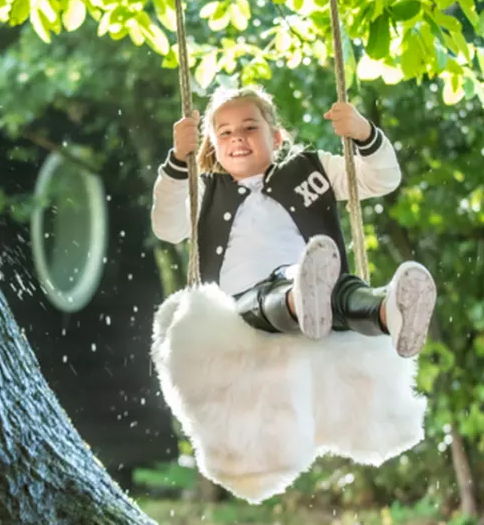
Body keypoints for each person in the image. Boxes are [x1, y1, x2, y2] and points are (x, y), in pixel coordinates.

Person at [151, 85, 437, 358]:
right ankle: (300, 300)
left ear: (276, 138)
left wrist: (363, 134)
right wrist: (178, 159)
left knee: (342, 291)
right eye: (225, 132)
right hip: (241, 311)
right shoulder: (203, 191)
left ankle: (390, 311)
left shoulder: (310, 170)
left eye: (250, 127)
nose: (237, 137)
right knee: (275, 295)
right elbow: (167, 228)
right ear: (213, 145)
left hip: (316, 280)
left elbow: (382, 180)